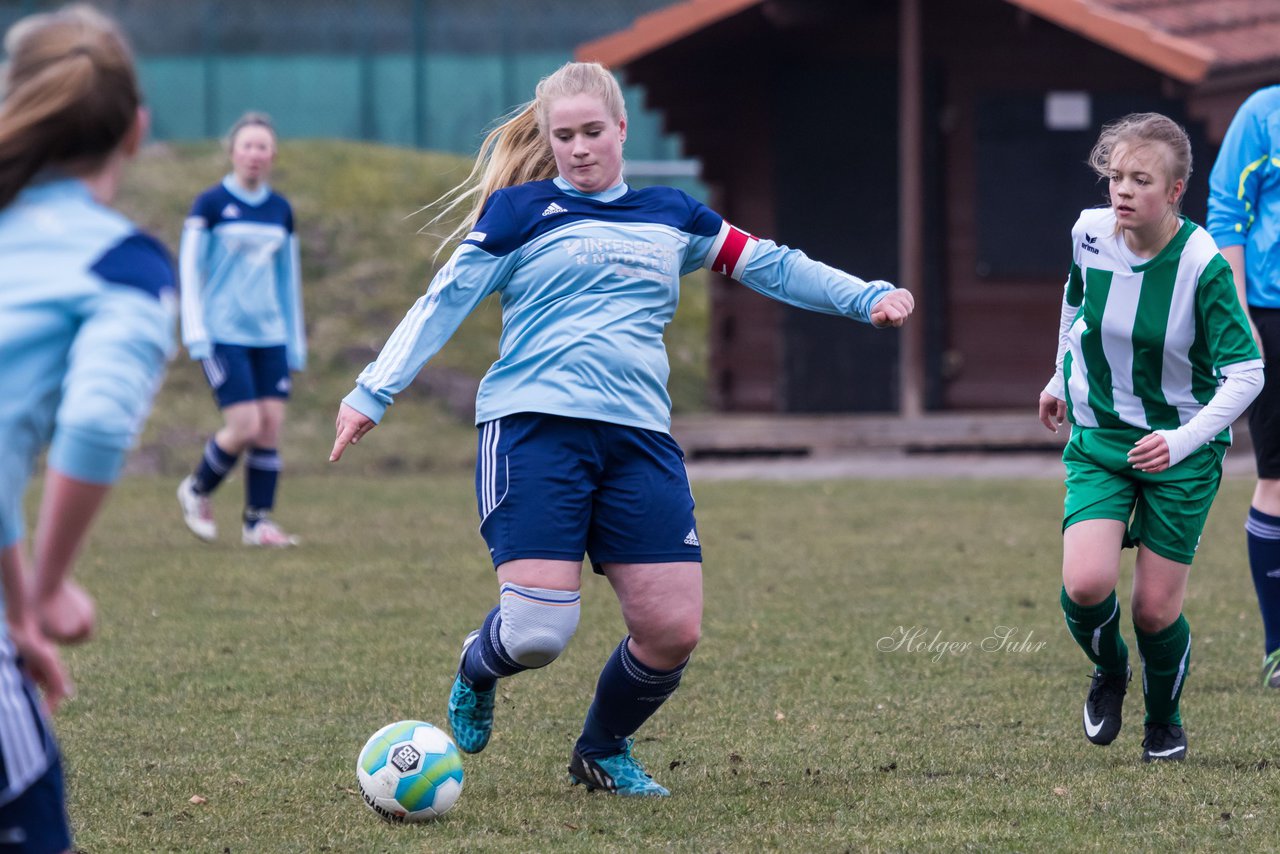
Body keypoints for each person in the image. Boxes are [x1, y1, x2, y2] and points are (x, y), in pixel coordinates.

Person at [330, 61, 914, 797]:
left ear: (621, 130)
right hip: (533, 430)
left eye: (592, 132)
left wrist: (866, 297)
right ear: (548, 138)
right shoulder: (519, 212)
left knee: (672, 631)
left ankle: (601, 752)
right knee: (539, 635)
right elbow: (441, 302)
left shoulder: (674, 214)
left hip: (639, 441)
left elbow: (770, 264)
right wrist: (371, 392)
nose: (578, 149)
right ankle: (479, 663)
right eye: (563, 135)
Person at [0, 5, 176, 851]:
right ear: (135, 131)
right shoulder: (124, 267)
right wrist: (42, 591)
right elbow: (101, 415)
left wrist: (18, 613)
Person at [1039, 113, 1263, 763]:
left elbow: (1247, 372)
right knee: (1085, 584)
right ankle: (1110, 670)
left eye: (1141, 179)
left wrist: (1185, 439)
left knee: (1155, 613)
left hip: (1181, 452)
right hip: (1101, 434)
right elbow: (1076, 303)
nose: (1123, 191)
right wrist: (1058, 375)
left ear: (1175, 191)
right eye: (1115, 177)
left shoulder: (1202, 266)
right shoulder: (1088, 233)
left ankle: (1164, 721)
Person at [175, 111, 305, 547]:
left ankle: (257, 524)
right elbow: (189, 271)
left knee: (269, 427)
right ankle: (196, 490)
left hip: (270, 336)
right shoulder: (210, 205)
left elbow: (289, 281)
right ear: (232, 151)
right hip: (222, 335)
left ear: (273, 155)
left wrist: (295, 342)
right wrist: (195, 332)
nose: (254, 154)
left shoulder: (280, 210)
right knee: (245, 425)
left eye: (263, 147)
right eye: (247, 145)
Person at [1207, 87, 1280, 689]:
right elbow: (1227, 211)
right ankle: (1279, 647)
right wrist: (1241, 312)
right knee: (1277, 477)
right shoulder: (1262, 113)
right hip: (1271, 312)